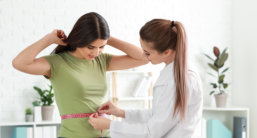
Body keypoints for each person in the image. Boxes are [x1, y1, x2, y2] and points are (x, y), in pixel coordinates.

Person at [12, 12, 148, 138]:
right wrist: (48, 39)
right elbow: (19, 63)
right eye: (90, 47)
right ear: (79, 39)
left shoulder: (102, 61)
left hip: (105, 134)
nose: (96, 53)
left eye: (101, 47)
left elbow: (144, 58)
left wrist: (107, 38)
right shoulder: (58, 63)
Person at [88, 19, 203, 138]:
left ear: (167, 52)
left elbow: (151, 132)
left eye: (147, 53)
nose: (143, 56)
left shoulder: (176, 81)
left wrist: (111, 125)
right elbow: (158, 115)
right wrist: (121, 112)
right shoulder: (176, 73)